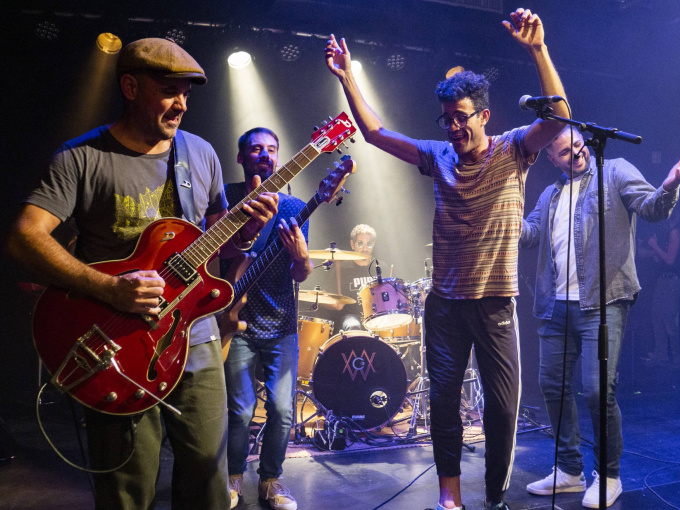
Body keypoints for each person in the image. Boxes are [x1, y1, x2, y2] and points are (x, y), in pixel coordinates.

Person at [4, 38, 278, 509]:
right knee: (127, 491)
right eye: (170, 90)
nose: (181, 104)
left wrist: (246, 231)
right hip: (116, 346)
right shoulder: (82, 157)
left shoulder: (201, 155)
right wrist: (110, 289)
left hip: (194, 340)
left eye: (187, 94)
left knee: (210, 489)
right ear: (130, 86)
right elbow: (25, 237)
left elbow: (212, 243)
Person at [326, 8, 569, 510]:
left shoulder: (513, 150)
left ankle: (495, 498)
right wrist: (349, 77)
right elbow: (376, 134)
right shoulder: (438, 155)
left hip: (496, 305)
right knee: (443, 404)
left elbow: (559, 116)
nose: (455, 127)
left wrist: (538, 50)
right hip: (444, 307)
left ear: (485, 115)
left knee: (502, 410)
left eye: (463, 117)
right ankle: (449, 497)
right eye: (448, 119)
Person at [520, 125, 680, 508]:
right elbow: (529, 232)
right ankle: (568, 470)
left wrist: (669, 185)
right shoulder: (550, 194)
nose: (577, 154)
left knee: (598, 389)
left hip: (604, 301)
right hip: (555, 306)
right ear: (551, 159)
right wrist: (500, 215)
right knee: (552, 385)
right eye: (566, 153)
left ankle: (608, 476)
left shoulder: (614, 171)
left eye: (579, 145)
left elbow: (652, 208)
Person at [222, 127, 311, 510]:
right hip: (231, 321)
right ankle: (233, 477)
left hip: (280, 324)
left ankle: (271, 480)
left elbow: (299, 274)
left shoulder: (294, 208)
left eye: (272, 149)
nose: (265, 154)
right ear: (241, 157)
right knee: (239, 411)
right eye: (255, 149)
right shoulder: (224, 199)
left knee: (281, 408)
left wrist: (302, 258)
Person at [638, 210, 680, 370]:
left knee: (669, 319)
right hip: (662, 280)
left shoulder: (675, 232)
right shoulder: (663, 232)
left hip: (672, 281)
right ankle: (661, 355)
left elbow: (670, 260)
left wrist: (655, 247)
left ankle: (676, 359)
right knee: (656, 315)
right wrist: (654, 251)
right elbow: (641, 253)